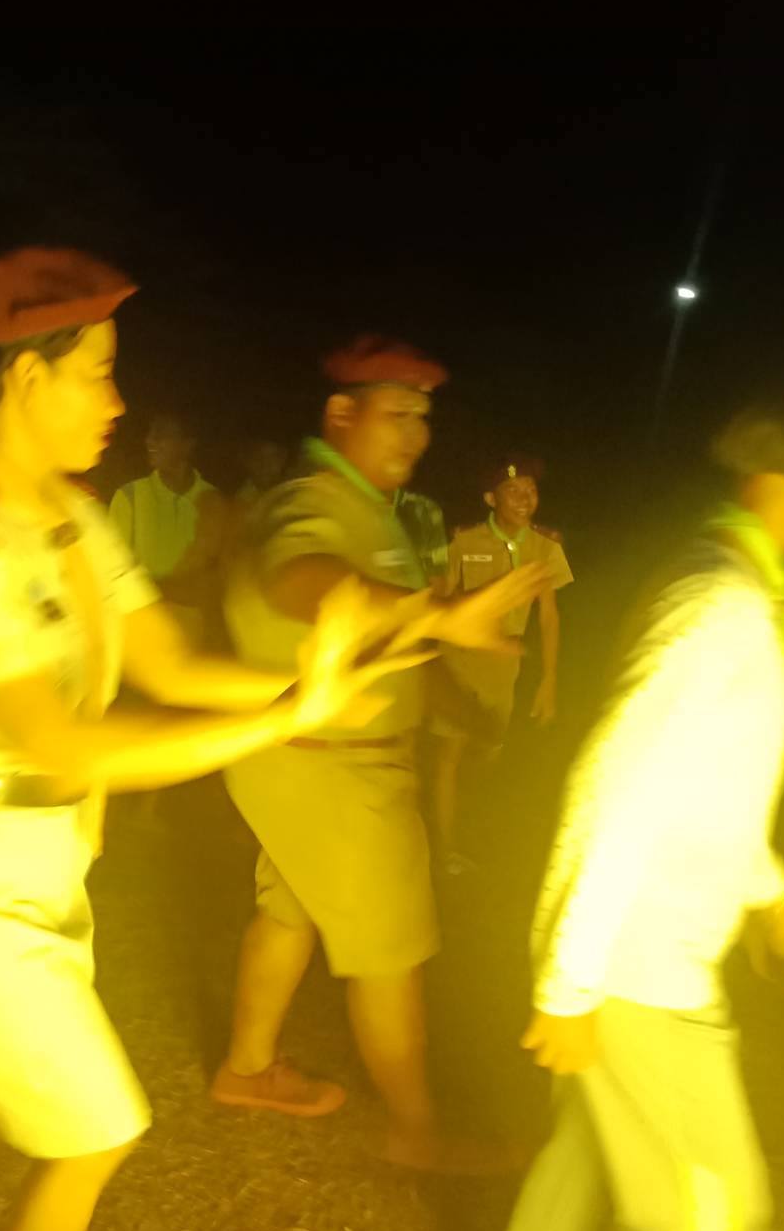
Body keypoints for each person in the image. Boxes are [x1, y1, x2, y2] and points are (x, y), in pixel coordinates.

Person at [0, 250, 424, 1231]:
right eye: (99, 373)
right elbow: (68, 737)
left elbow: (164, 660)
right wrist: (286, 718)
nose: (118, 402)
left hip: (16, 854)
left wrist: (311, 680)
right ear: (26, 381)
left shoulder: (66, 519)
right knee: (100, 1123)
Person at [469, 384, 784, 1231]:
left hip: (644, 943)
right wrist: (571, 986)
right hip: (632, 961)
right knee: (713, 1209)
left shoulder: (743, 595)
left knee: (591, 1146)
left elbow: (707, 790)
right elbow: (617, 782)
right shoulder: (719, 608)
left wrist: (768, 893)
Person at [215, 337, 547, 1172]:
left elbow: (384, 623)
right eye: (398, 413)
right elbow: (300, 577)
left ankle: (247, 1067)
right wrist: (435, 617)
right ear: (341, 413)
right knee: (394, 951)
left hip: (313, 754)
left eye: (423, 417)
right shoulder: (314, 501)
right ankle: (415, 1132)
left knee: (290, 907)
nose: (415, 434)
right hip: (336, 761)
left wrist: (446, 693)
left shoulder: (373, 509)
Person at [430, 457, 572, 866]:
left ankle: (469, 821)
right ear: (491, 499)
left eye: (531, 490)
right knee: (448, 756)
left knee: (489, 749)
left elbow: (548, 615)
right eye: (513, 491)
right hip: (459, 660)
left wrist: (549, 680)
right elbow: (438, 598)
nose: (525, 498)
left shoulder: (546, 546)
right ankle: (445, 849)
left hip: (503, 668)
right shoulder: (463, 541)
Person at [109, 411, 225, 640]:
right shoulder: (129, 497)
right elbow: (112, 575)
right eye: (150, 434)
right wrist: (174, 590)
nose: (149, 441)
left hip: (196, 633)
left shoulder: (212, 499)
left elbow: (216, 574)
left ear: (187, 445)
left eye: (161, 434)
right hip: (142, 629)